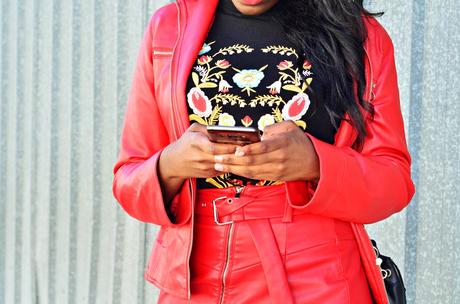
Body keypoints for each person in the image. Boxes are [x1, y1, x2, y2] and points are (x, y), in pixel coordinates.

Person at [112, 0, 415, 303]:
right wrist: (172, 164)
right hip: (193, 282)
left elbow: (393, 181)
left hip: (319, 281)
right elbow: (128, 180)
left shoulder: (361, 36)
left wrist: (316, 164)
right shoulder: (169, 26)